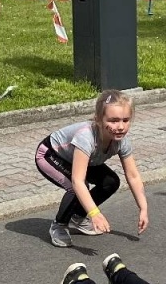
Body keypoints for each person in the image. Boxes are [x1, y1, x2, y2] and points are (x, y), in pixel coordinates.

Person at [34, 90, 149, 248]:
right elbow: (78, 181)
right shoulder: (86, 137)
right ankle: (59, 225)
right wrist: (95, 213)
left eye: (125, 120)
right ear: (99, 120)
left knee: (111, 182)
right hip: (50, 155)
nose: (121, 126)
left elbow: (133, 176)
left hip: (81, 160)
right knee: (77, 188)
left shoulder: (122, 141)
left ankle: (78, 216)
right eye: (113, 120)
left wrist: (143, 208)